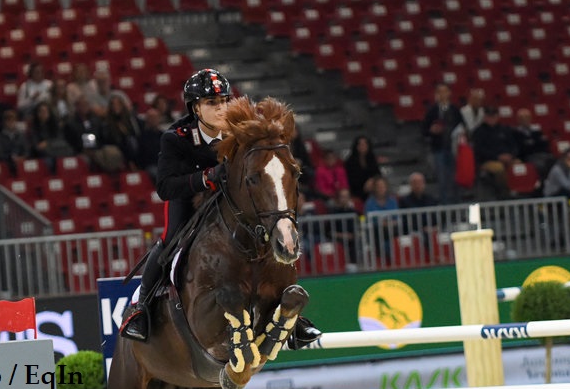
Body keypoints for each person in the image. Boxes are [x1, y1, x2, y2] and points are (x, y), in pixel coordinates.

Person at [119, 68, 320, 347]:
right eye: (212, 103)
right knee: (169, 240)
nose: (221, 108)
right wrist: (206, 177)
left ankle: (290, 319)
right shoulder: (176, 137)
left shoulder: (241, 129)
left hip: (231, 199)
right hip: (189, 197)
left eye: (224, 101)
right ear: (195, 108)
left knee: (269, 233)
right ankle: (141, 308)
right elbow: (165, 186)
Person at [421, 83, 461, 203]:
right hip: (438, 148)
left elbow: (462, 126)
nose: (443, 94)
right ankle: (445, 205)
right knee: (442, 179)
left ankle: (456, 204)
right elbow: (424, 130)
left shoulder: (455, 110)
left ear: (449, 93)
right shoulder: (432, 111)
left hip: (453, 148)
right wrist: (431, 130)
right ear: (436, 94)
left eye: (445, 91)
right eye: (440, 92)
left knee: (455, 178)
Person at [470, 106, 517, 200]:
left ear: (497, 116)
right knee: (499, 168)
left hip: (508, 158)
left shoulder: (505, 129)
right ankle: (504, 193)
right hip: (487, 161)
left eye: (493, 116)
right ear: (485, 117)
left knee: (519, 166)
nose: (491, 118)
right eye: (489, 116)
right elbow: (479, 150)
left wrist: (511, 155)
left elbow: (514, 145)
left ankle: (519, 190)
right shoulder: (479, 132)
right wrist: (497, 157)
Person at [509, 107, 553, 175]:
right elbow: (521, 148)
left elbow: (544, 145)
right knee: (541, 165)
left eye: (527, 117)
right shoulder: (515, 133)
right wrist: (535, 143)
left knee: (555, 162)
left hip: (542, 154)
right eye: (521, 117)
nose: (524, 119)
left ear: (530, 118)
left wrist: (531, 143)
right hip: (527, 157)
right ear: (518, 119)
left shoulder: (537, 131)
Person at [344, 134, 382, 201]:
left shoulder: (372, 158)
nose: (363, 146)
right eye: (360, 144)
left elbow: (378, 174)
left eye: (365, 144)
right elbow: (351, 180)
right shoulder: (350, 161)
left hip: (372, 188)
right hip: (357, 190)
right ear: (356, 146)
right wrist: (365, 186)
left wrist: (372, 180)